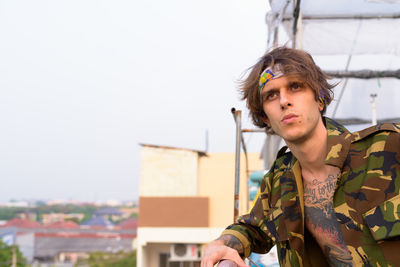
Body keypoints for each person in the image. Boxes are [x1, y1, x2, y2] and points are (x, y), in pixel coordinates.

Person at [201, 47, 400, 267]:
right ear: (265, 117)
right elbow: (251, 229)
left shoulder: (387, 147)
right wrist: (220, 244)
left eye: (295, 87)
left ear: (320, 99)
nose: (284, 101)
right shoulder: (280, 182)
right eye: (271, 95)